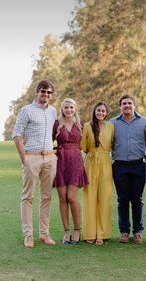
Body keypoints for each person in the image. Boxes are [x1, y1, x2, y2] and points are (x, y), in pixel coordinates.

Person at [12, 79, 57, 248]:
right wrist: (24, 159)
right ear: (37, 92)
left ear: (51, 95)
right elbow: (17, 135)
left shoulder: (53, 111)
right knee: (28, 197)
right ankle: (28, 236)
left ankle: (44, 234)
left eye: (49, 92)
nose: (46, 94)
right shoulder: (26, 110)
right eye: (43, 91)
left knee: (47, 197)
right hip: (31, 157)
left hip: (49, 158)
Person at [110, 94, 146, 244]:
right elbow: (110, 140)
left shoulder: (144, 121)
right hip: (119, 165)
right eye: (124, 103)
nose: (127, 106)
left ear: (134, 105)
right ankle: (124, 231)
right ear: (120, 106)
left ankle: (137, 231)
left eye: (129, 103)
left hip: (138, 164)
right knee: (123, 199)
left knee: (137, 199)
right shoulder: (113, 123)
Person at [53, 98, 88, 245]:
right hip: (60, 161)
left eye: (71, 108)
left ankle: (77, 230)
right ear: (62, 109)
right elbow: (47, 140)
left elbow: (87, 144)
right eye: (66, 107)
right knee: (62, 197)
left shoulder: (81, 124)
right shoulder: (57, 124)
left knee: (72, 197)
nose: (69, 110)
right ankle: (66, 231)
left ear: (75, 109)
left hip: (75, 161)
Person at [80, 101, 114, 245]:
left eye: (103, 111)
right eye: (98, 110)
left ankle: (101, 234)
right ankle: (90, 233)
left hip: (106, 163)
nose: (100, 113)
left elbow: (112, 143)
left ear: (106, 113)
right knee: (90, 198)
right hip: (91, 163)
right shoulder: (87, 126)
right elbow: (83, 145)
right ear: (94, 111)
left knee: (104, 198)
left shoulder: (111, 126)